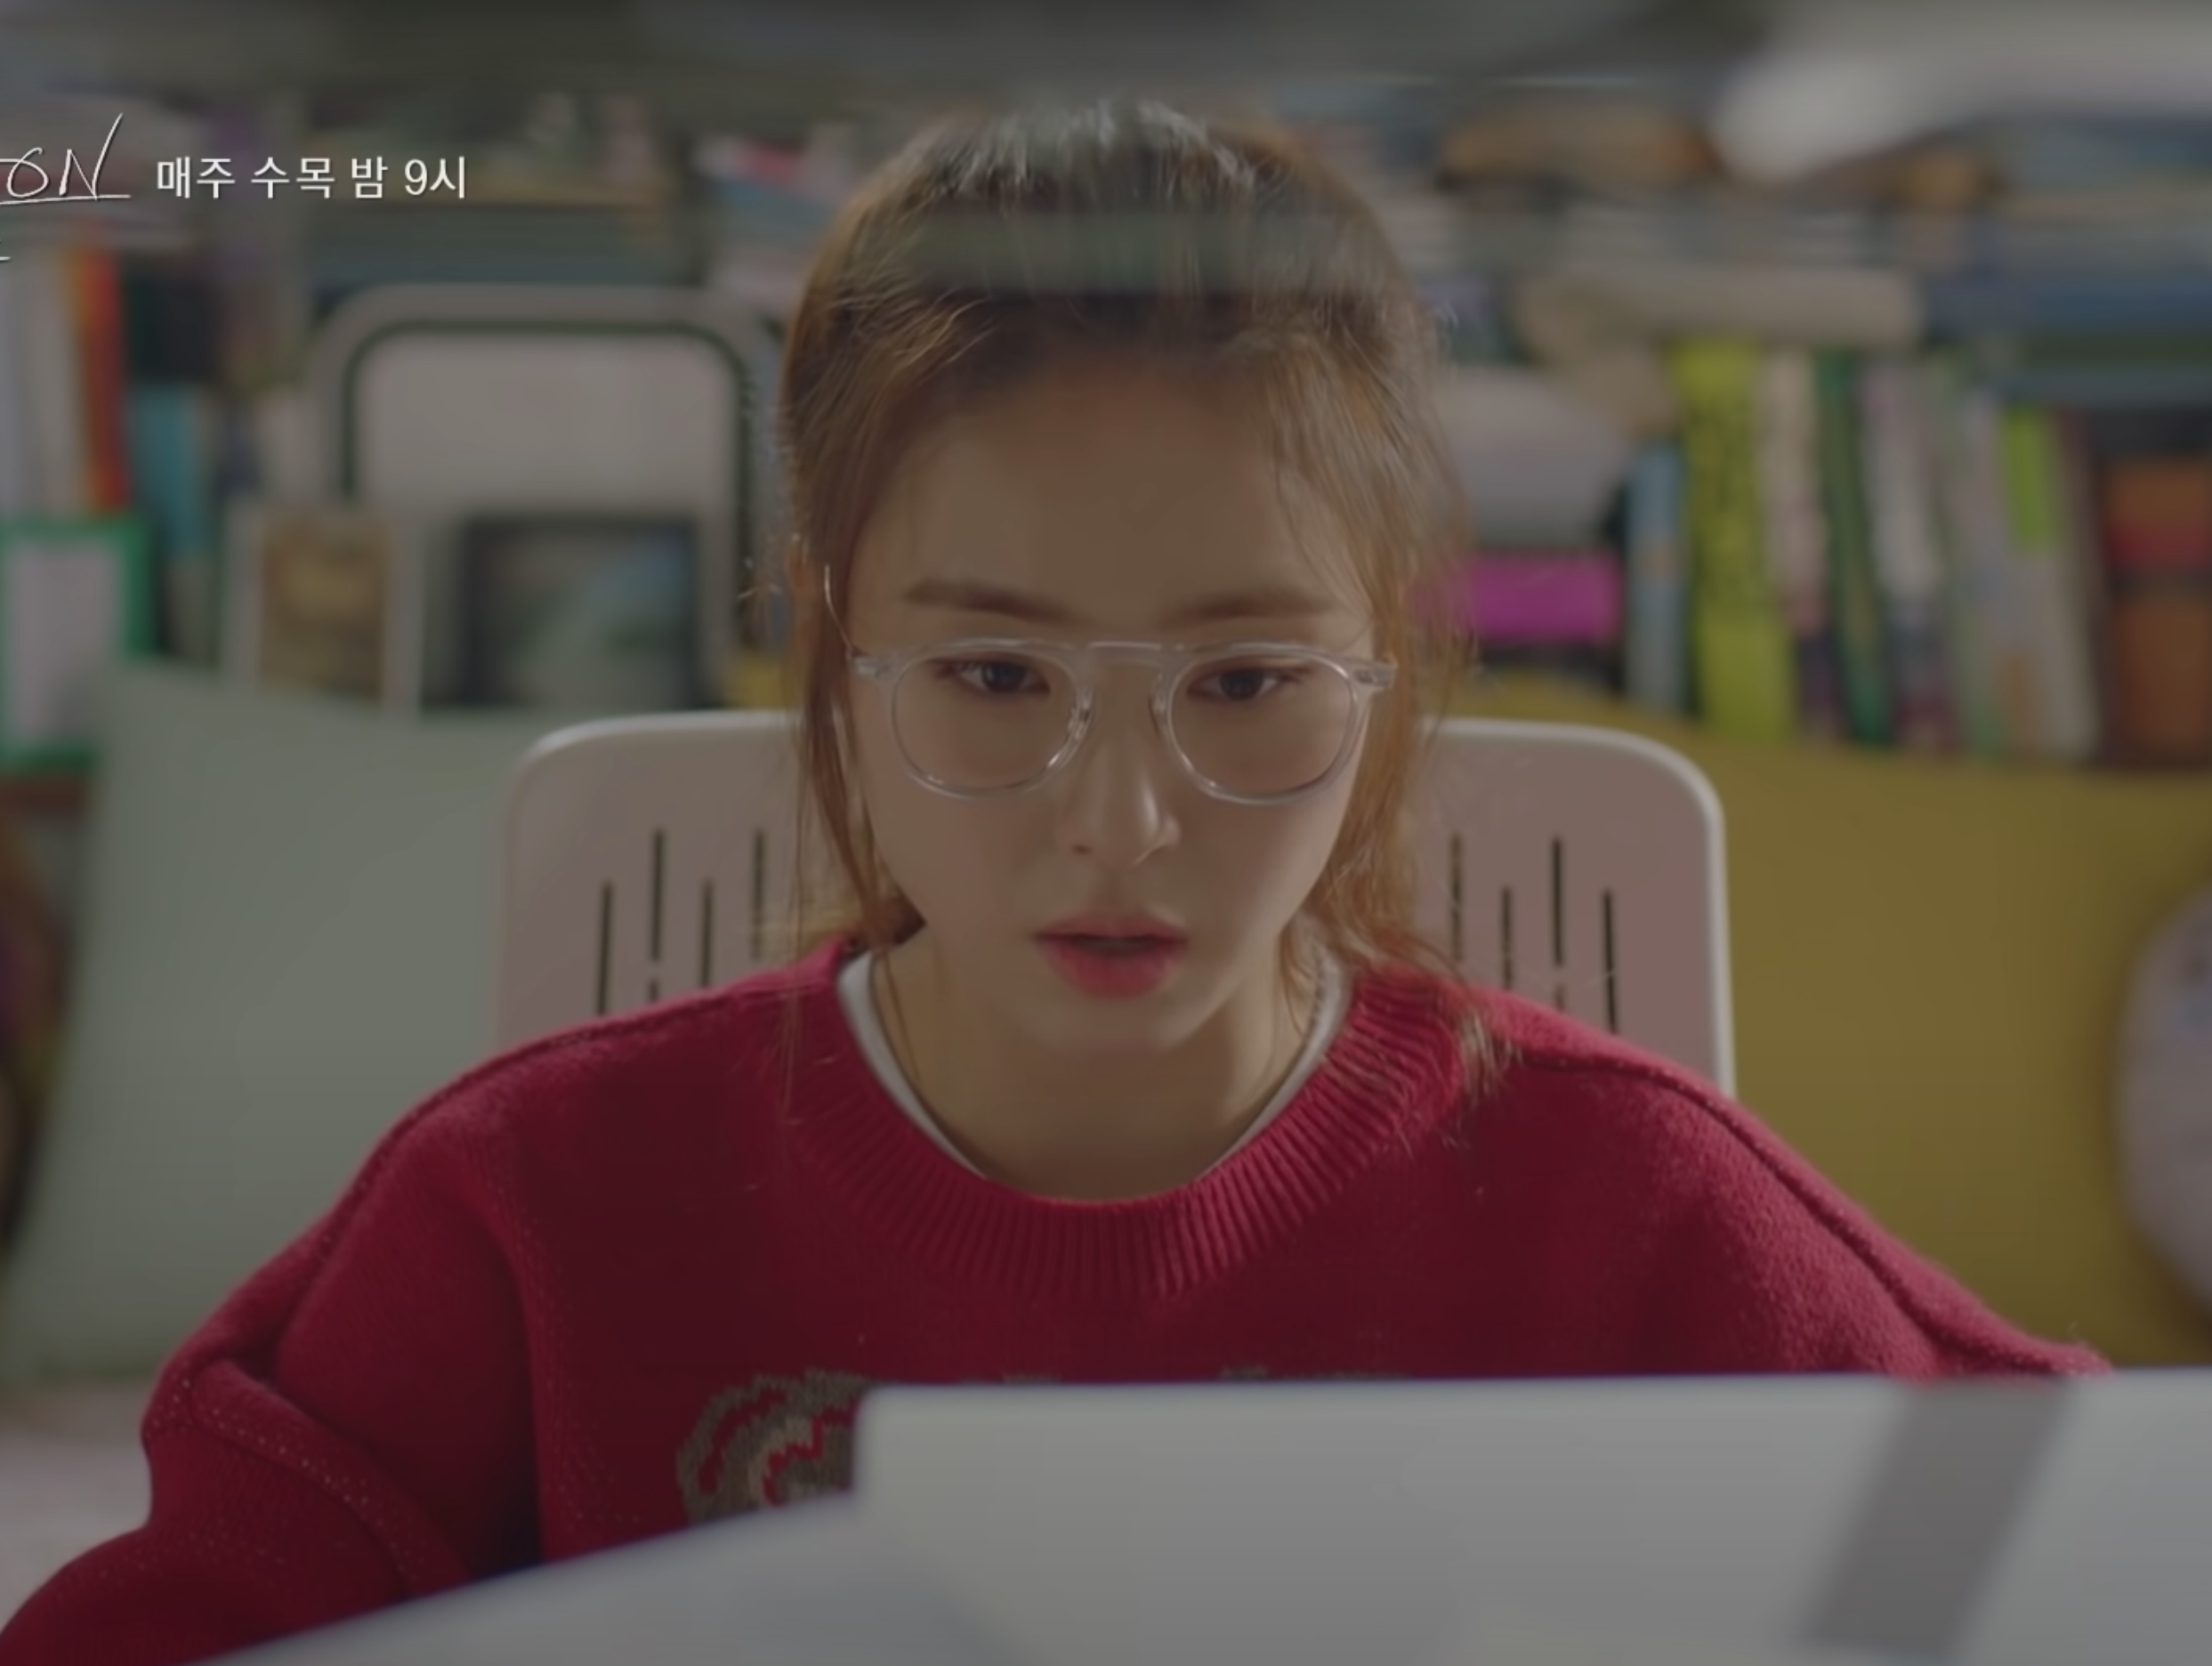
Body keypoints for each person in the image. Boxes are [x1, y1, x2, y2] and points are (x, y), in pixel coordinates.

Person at [0, 97, 2105, 1666]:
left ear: (1388, 664)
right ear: (835, 644)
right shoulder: (522, 1214)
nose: (1120, 823)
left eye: (1245, 680)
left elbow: (2094, 1550)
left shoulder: (1626, 1204)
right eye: (997, 674)